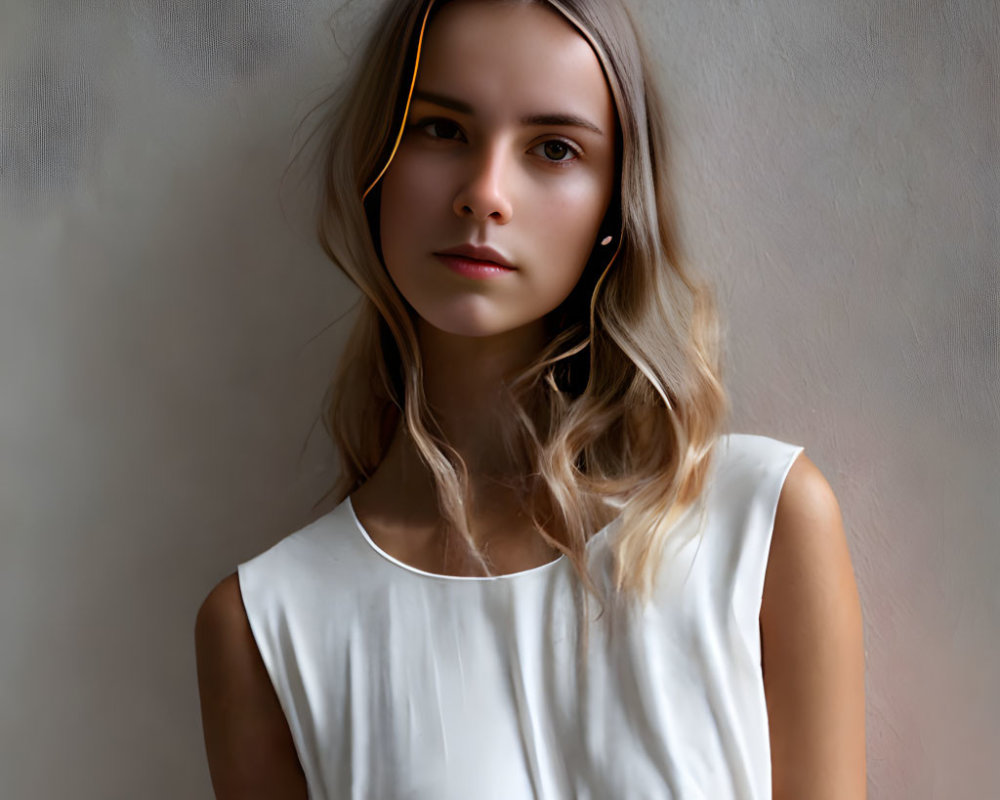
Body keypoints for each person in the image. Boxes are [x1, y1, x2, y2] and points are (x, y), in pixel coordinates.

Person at [195, 0, 867, 797]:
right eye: (441, 129)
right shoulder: (266, 627)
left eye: (553, 148)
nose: (485, 195)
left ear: (614, 207)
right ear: (377, 164)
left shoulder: (762, 524)